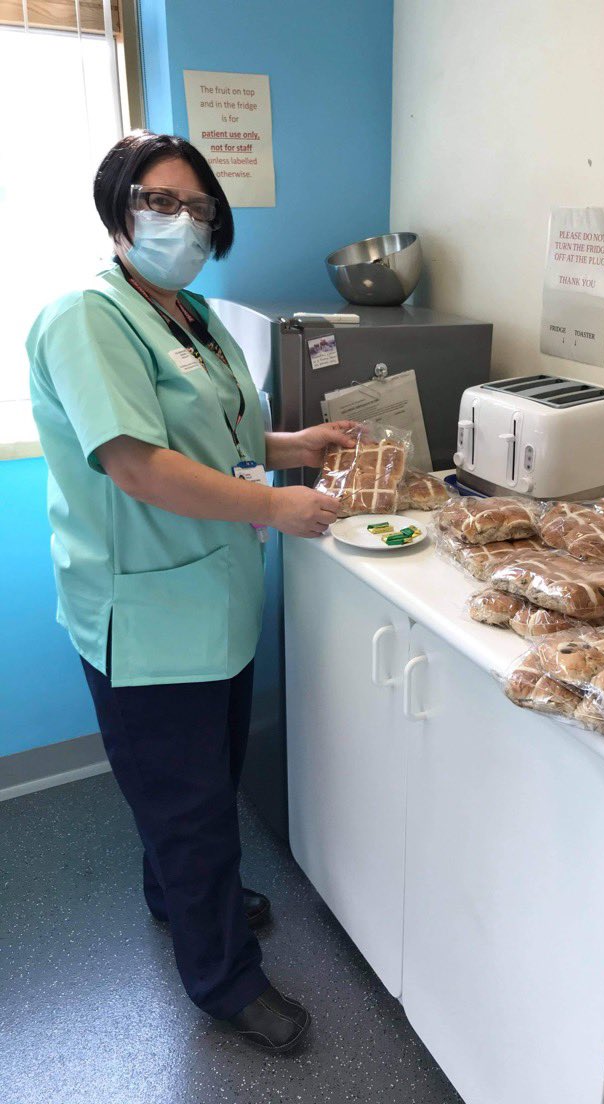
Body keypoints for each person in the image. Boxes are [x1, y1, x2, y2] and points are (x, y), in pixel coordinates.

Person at [26, 130, 356, 1053]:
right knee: (191, 809)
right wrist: (277, 504)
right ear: (118, 210)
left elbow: (217, 437)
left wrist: (296, 446)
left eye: (199, 208)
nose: (184, 222)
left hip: (214, 598)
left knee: (196, 791)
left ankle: (177, 896)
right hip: (143, 614)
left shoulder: (192, 315)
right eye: (160, 201)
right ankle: (224, 982)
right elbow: (138, 464)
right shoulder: (86, 319)